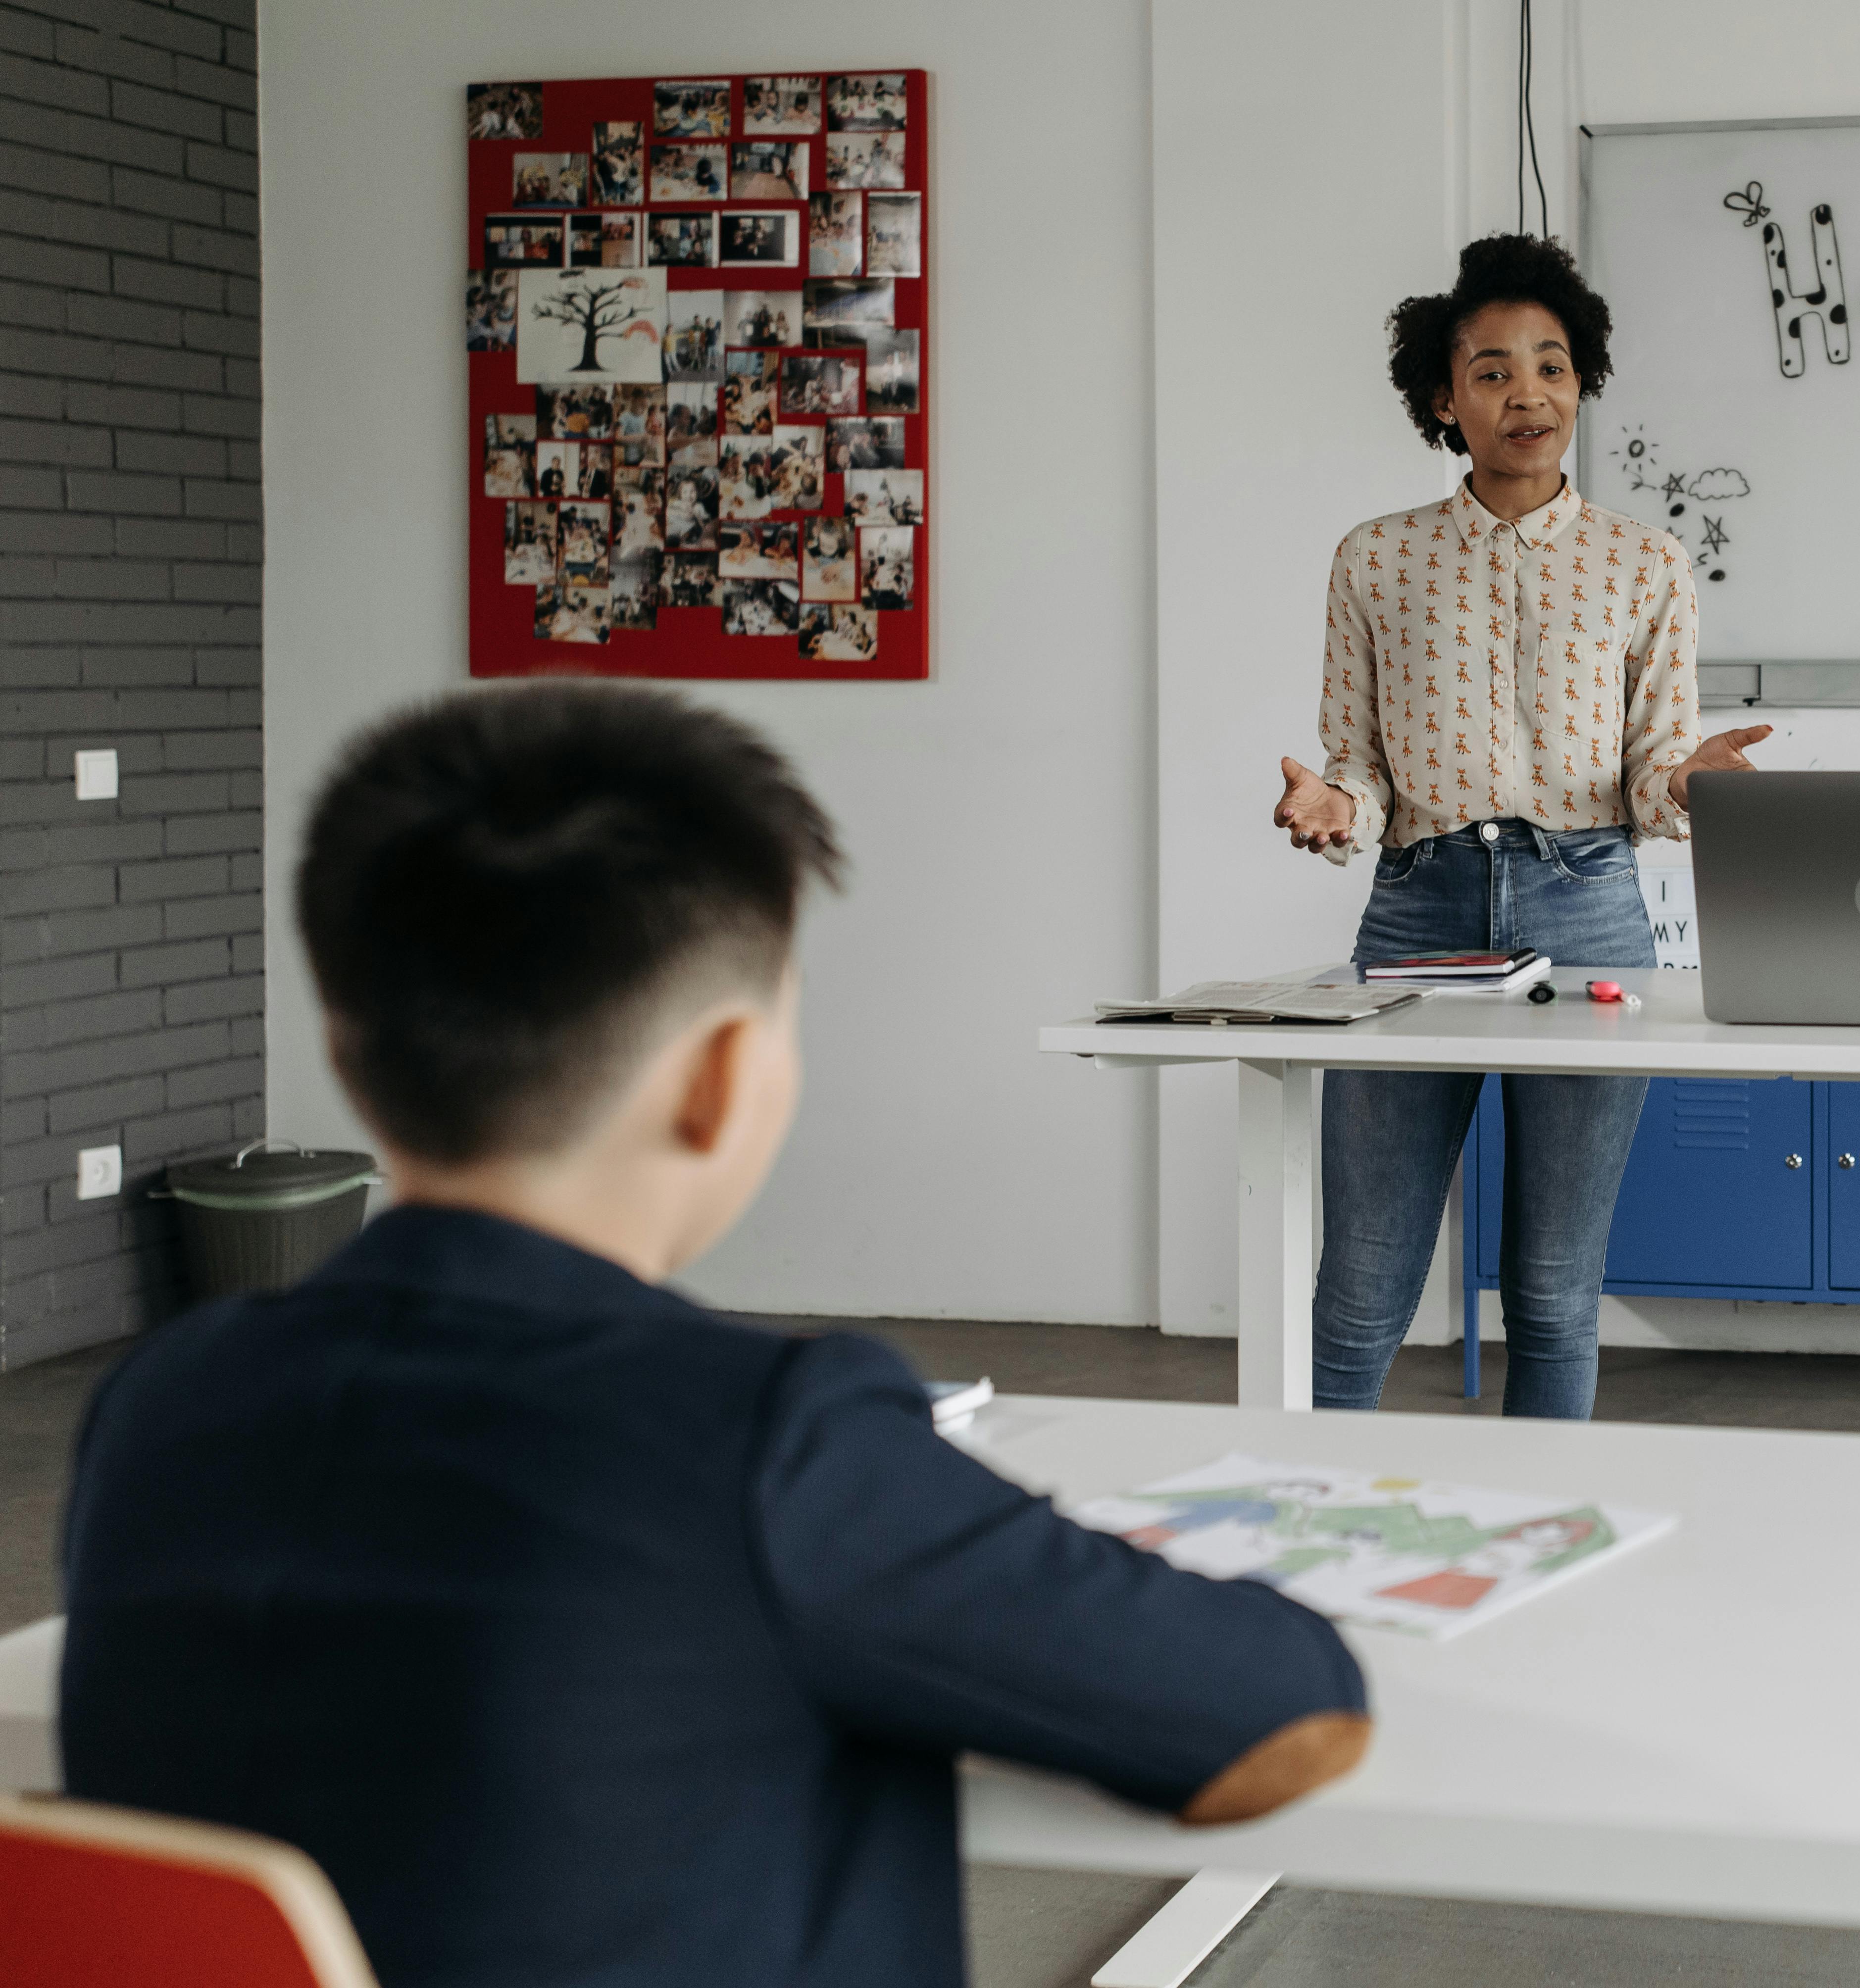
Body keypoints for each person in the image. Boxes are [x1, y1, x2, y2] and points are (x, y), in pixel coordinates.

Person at [58, 685, 1371, 1988]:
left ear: (348, 1054)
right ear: (721, 1076)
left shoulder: (164, 1400)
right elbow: (1278, 1708)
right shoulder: (767, 1441)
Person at [1272, 234, 1772, 1419]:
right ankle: (1292, 1521)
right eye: (1491, 371)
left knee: (1552, 1288)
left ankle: (1538, 1543)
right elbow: (1360, 765)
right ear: (1443, 400)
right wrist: (1334, 806)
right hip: (1417, 913)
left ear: (1581, 382)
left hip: (1587, 910)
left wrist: (1691, 779)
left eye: (1550, 364)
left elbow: (1650, 773)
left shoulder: (1643, 563)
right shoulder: (1376, 559)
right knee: (1359, 1287)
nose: (1526, 393)